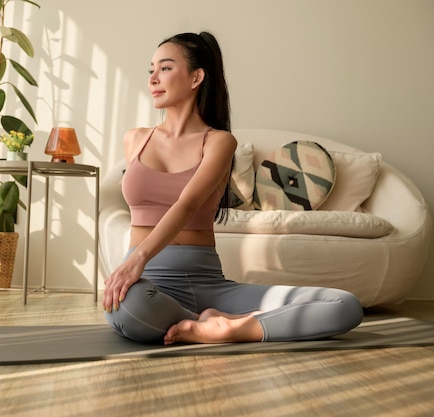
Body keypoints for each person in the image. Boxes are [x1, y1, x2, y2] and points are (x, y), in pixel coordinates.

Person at [102, 31, 363, 345]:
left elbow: (187, 204)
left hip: (207, 283)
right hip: (150, 284)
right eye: (151, 70)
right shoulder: (136, 139)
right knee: (127, 307)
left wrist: (135, 260)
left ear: (196, 77)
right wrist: (136, 267)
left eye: (166, 68)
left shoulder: (220, 142)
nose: (153, 78)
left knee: (344, 306)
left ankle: (234, 329)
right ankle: (206, 322)